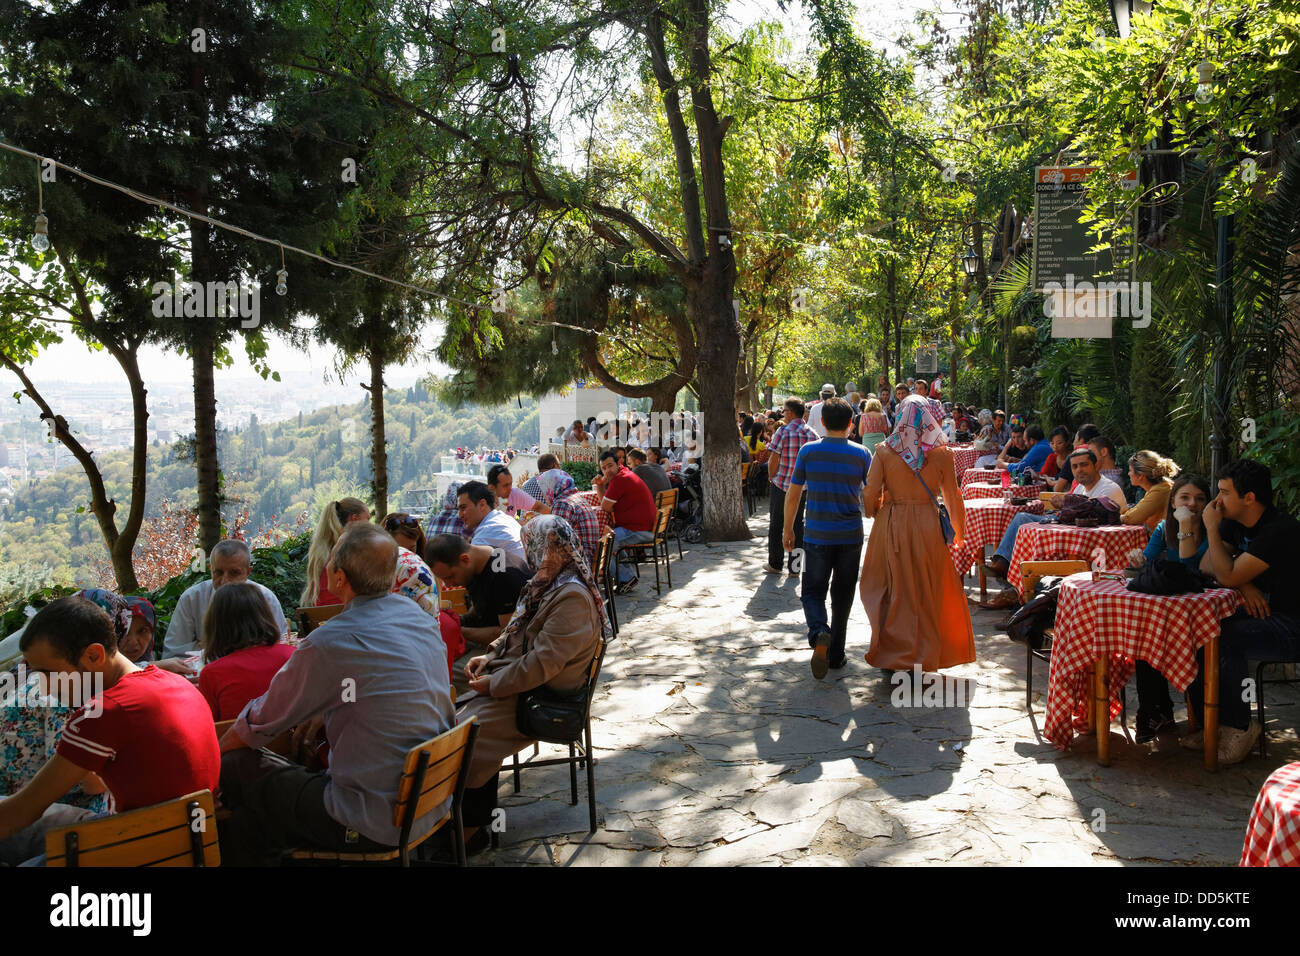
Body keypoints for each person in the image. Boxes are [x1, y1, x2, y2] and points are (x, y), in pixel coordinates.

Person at [217, 523, 455, 865]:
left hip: (371, 819)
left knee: (238, 768)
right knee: (258, 808)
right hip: (430, 801)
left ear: (339, 578)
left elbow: (262, 722)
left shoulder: (331, 642)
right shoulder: (419, 619)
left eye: (330, 558)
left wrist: (214, 763)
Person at [0, 596, 220, 866]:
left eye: (46, 673)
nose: (43, 688)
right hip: (189, 847)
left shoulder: (103, 713)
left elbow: (21, 812)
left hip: (128, 852)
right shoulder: (178, 684)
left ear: (94, 656)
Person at [457, 516, 608, 851]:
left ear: (547, 547)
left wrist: (493, 683)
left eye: (532, 545)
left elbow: (542, 664)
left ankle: (469, 832)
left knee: (464, 736)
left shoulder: (571, 597)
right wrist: (491, 656)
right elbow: (519, 631)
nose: (527, 552)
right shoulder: (548, 582)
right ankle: (464, 821)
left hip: (545, 698)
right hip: (528, 684)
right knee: (453, 714)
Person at [1183, 460, 1300, 764]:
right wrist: (1242, 584)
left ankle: (1239, 727)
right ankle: (1211, 724)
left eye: (1223, 492)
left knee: (1225, 637)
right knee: (1196, 627)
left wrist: (1233, 571)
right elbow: (1208, 565)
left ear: (1249, 498)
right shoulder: (1235, 522)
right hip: (1263, 614)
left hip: (1290, 624)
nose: (1216, 502)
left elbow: (1227, 573)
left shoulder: (1280, 530)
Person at [859, 394, 974, 672]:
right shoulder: (943, 452)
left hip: (893, 523)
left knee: (893, 587)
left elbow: (871, 492)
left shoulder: (885, 451)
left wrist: (874, 510)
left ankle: (895, 654)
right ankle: (926, 654)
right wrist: (959, 532)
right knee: (927, 588)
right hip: (928, 525)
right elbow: (952, 495)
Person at [783, 398, 872, 677]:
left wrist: (788, 529)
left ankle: (820, 631)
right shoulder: (862, 454)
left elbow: (794, 493)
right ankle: (836, 655)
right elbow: (870, 499)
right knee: (843, 596)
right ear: (850, 424)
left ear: (821, 422)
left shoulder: (808, 452)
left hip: (815, 536)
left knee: (811, 591)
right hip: (850, 536)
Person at [1128, 474, 1212, 743]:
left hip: (1203, 610)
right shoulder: (1165, 527)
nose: (1193, 503)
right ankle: (1153, 712)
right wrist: (1137, 559)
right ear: (1173, 500)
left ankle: (1202, 718)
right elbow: (1147, 562)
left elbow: (1187, 558)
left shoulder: (1216, 529)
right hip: (1170, 610)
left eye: (1200, 498)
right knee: (1145, 638)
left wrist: (1186, 522)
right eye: (1185, 497)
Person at [983, 448, 1128, 586]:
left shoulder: (1109, 488)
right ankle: (1007, 569)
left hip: (1090, 545)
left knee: (1024, 521)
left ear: (1096, 466)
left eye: (1084, 465)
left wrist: (1064, 505)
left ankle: (1009, 573)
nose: (1079, 470)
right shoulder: (1080, 487)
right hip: (1071, 532)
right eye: (1075, 467)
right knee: (1023, 521)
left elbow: (1092, 518)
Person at [163, 539, 289, 675]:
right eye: (218, 572)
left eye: (234, 573)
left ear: (248, 572)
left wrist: (208, 645)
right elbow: (174, 654)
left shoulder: (266, 598)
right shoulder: (192, 598)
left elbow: (279, 645)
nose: (225, 580)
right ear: (210, 570)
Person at [197, 582, 295, 721]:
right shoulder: (292, 655)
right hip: (294, 741)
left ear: (215, 625)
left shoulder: (212, 674)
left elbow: (211, 730)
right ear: (264, 615)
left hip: (242, 742)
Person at [425, 534, 532, 649]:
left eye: (450, 577)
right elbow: (482, 606)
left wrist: (456, 630)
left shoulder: (504, 576)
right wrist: (457, 620)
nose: (449, 585)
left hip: (515, 648)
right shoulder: (477, 563)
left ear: (465, 559)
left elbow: (507, 634)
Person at [765, 397, 816, 575]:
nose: (782, 413)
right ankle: (795, 568)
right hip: (802, 487)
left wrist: (771, 477)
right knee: (798, 525)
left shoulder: (783, 432)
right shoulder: (812, 434)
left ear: (791, 413)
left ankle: (775, 564)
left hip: (781, 485)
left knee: (776, 524)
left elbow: (774, 459)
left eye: (784, 410)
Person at [593, 449, 656, 592]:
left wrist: (600, 486)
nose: (607, 470)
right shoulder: (625, 473)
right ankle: (625, 576)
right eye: (604, 468)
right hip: (645, 527)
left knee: (604, 546)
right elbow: (607, 506)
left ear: (618, 464)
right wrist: (602, 485)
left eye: (610, 466)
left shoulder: (619, 479)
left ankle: (627, 578)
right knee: (611, 539)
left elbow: (606, 507)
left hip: (640, 530)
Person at [302, 498, 372, 608]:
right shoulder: (351, 553)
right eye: (367, 519)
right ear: (355, 519)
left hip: (323, 620)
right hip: (347, 619)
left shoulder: (322, 553)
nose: (370, 525)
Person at [458, 480, 527, 568]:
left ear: (482, 505)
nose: (459, 516)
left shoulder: (485, 535)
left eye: (463, 508)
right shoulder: (504, 519)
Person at [1122, 450, 1179, 530]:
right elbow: (1133, 513)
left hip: (1164, 541)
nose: (1128, 474)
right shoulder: (1159, 488)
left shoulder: (1160, 491)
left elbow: (1131, 518)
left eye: (1130, 470)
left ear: (1141, 476)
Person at [1050, 423, 1102, 493]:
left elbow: (1058, 489)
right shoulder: (1100, 453)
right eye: (1052, 443)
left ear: (1081, 440)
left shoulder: (1074, 457)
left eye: (1075, 439)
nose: (1073, 443)